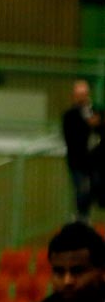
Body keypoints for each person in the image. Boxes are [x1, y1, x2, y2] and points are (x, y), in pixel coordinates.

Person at [62, 80, 99, 222]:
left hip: (94, 159)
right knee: (81, 187)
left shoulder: (95, 111)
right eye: (79, 95)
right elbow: (70, 137)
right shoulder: (70, 115)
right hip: (77, 160)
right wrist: (88, 125)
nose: (82, 98)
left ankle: (84, 214)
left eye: (84, 94)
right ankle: (82, 216)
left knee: (94, 185)